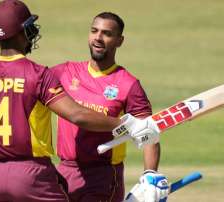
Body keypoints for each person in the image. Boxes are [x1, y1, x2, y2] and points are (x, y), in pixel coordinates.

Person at [0, 1, 160, 201]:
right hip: (33, 176)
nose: (98, 37)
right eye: (29, 27)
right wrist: (127, 125)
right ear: (21, 32)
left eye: (106, 33)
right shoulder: (40, 74)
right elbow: (76, 115)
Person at [51, 12, 169, 202]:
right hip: (64, 173)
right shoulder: (64, 72)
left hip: (103, 178)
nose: (98, 37)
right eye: (94, 31)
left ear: (119, 41)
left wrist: (149, 175)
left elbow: (149, 133)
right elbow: (28, 83)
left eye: (106, 33)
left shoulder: (128, 84)